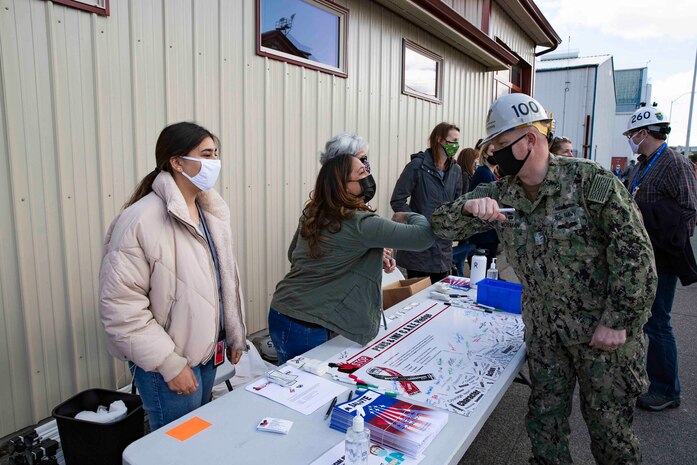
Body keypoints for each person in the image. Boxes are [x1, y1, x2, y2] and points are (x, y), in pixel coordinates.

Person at [431, 94, 656, 465]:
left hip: (601, 335)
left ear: (530, 140)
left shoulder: (588, 182)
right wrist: (468, 206)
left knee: (610, 433)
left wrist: (618, 321)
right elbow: (441, 224)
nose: (495, 155)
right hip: (545, 334)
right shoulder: (502, 194)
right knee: (544, 427)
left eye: (502, 145)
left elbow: (636, 255)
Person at [99, 122, 248, 430]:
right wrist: (169, 364)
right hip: (169, 366)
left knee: (196, 436)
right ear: (177, 162)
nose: (214, 162)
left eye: (216, 154)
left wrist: (234, 333)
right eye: (206, 154)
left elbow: (223, 282)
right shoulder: (140, 220)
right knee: (174, 446)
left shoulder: (211, 213)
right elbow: (121, 308)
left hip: (206, 356)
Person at [269, 153, 435, 364]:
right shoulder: (361, 223)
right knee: (310, 389)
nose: (368, 176)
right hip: (308, 324)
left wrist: (367, 255)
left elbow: (295, 254)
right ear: (343, 185)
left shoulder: (314, 212)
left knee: (293, 386)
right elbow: (424, 237)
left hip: (283, 311)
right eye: (361, 173)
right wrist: (407, 214)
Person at [624, 106, 697, 411]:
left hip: (662, 257)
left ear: (645, 133)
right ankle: (652, 379)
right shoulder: (642, 164)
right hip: (641, 256)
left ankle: (667, 389)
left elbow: (690, 211)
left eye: (632, 135)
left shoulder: (674, 163)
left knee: (658, 322)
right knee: (645, 321)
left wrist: (663, 234)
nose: (630, 139)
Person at [390, 122, 463, 283]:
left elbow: (458, 203)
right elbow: (398, 199)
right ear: (439, 140)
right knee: (417, 297)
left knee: (439, 298)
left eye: (458, 142)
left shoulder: (456, 171)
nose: (456, 146)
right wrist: (416, 222)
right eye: (453, 141)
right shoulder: (417, 166)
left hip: (443, 246)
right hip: (419, 247)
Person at [319, 132, 396, 273]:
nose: (365, 166)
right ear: (341, 167)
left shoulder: (356, 200)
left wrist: (379, 251)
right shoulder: (333, 209)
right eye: (361, 159)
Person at [467, 142, 500, 270]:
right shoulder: (483, 173)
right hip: (484, 233)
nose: (496, 155)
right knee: (484, 270)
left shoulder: (491, 173)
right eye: (492, 151)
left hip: (489, 232)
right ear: (485, 154)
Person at [451, 147, 479, 275]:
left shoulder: (460, 173)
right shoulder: (466, 176)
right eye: (475, 162)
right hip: (464, 218)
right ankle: (450, 258)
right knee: (471, 247)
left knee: (465, 245)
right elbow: (465, 197)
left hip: (461, 217)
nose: (476, 165)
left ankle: (460, 274)